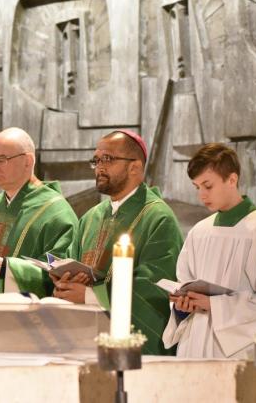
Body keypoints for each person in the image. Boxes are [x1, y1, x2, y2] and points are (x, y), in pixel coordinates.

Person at [162, 143, 256, 359]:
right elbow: (184, 281)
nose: (202, 195)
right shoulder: (200, 231)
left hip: (235, 353)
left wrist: (215, 305)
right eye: (197, 187)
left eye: (208, 186)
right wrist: (181, 306)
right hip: (194, 344)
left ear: (232, 180)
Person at [55, 130, 183, 355]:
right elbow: (71, 262)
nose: (99, 167)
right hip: (85, 340)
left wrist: (89, 296)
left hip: (134, 348)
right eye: (96, 160)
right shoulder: (90, 218)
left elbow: (154, 288)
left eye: (108, 159)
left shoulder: (158, 218)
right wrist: (63, 281)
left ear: (135, 167)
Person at [0, 127, 78, 297]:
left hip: (26, 317)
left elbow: (60, 272)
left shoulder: (56, 212)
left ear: (28, 161)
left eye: (1, 159)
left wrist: (7, 268)